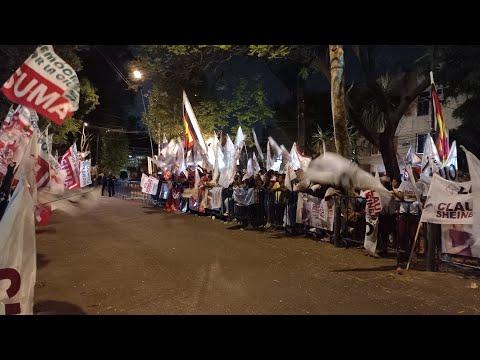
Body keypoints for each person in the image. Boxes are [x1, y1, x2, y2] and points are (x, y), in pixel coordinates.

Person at [392, 173, 423, 265]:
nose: (410, 176)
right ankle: (401, 256)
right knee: (401, 235)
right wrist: (396, 193)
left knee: (412, 236)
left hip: (414, 214)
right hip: (403, 213)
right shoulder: (404, 183)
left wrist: (419, 203)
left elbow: (423, 198)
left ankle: (412, 255)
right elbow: (401, 196)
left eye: (413, 174)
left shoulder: (421, 185)